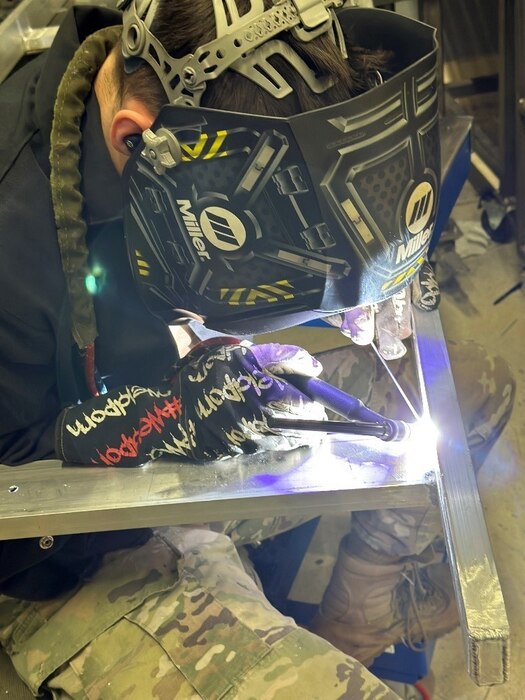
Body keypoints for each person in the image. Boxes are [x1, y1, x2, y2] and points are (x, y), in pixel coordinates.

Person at [0, 1, 514, 698]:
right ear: (138, 141)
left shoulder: (160, 138)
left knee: (469, 389)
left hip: (168, 394)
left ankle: (352, 624)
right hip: (53, 550)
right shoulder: (14, 234)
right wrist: (147, 426)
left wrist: (358, 267)